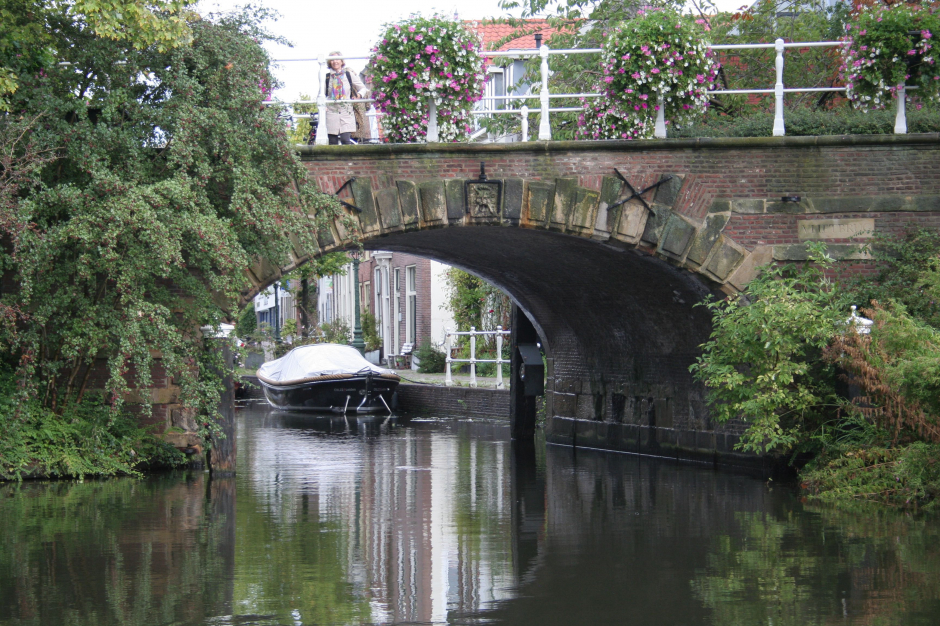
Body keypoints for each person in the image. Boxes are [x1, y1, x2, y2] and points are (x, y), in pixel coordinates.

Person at [324, 51, 369, 145]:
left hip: (346, 112)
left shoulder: (348, 75)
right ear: (329, 62)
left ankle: (349, 160)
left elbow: (363, 88)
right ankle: (335, 160)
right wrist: (323, 106)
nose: (335, 62)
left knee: (345, 140)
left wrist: (359, 95)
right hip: (332, 112)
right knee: (332, 142)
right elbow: (321, 95)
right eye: (332, 60)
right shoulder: (327, 77)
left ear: (341, 61)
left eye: (337, 59)